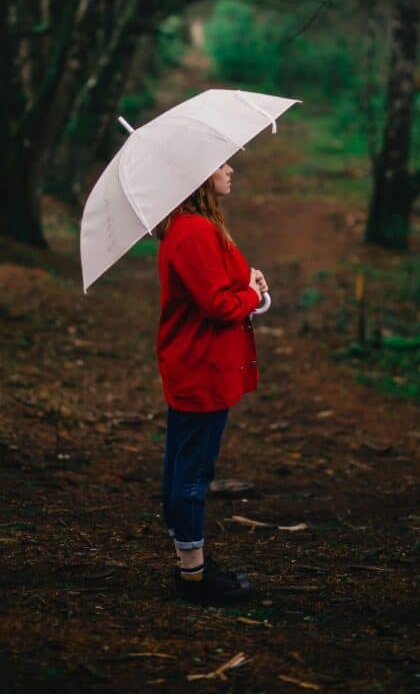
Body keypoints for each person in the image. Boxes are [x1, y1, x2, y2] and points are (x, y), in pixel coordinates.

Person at [154, 161, 268, 604]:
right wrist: (252, 296)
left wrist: (251, 285)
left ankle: (191, 562)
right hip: (201, 369)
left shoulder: (192, 228)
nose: (231, 167)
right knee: (192, 472)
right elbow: (219, 304)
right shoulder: (194, 231)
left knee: (184, 465)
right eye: (221, 163)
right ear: (199, 175)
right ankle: (193, 576)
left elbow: (222, 287)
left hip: (196, 365)